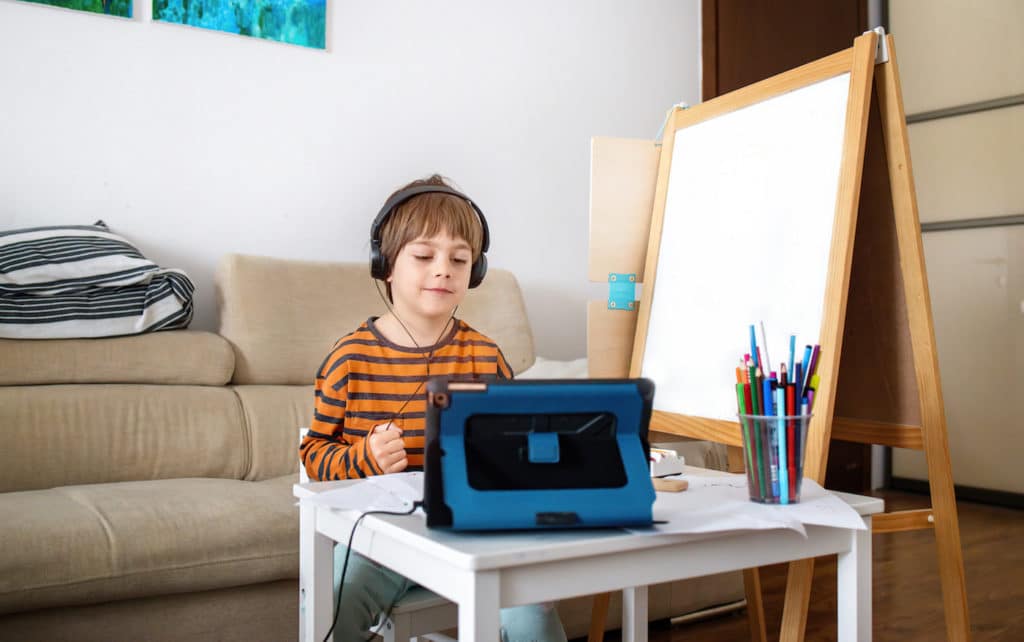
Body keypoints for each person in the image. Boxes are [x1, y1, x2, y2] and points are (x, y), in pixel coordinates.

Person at [299, 174, 567, 641]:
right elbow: (315, 453)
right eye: (424, 256)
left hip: (472, 532)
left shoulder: (485, 357)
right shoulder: (349, 358)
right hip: (380, 541)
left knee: (534, 610)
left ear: (475, 272)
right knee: (338, 591)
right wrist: (363, 458)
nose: (443, 269)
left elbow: (515, 446)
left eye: (459, 259)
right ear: (384, 264)